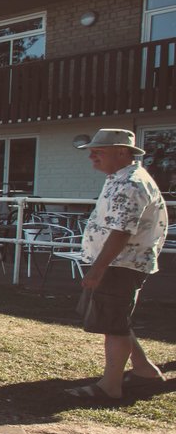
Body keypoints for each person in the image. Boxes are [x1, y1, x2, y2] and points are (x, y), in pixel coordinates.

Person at [67, 129, 168, 400]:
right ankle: (145, 371)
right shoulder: (119, 178)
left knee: (114, 324)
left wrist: (98, 269)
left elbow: (122, 231)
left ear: (122, 152)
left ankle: (110, 387)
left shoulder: (131, 183)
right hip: (117, 263)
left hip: (121, 264)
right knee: (115, 317)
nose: (92, 156)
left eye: (98, 151)